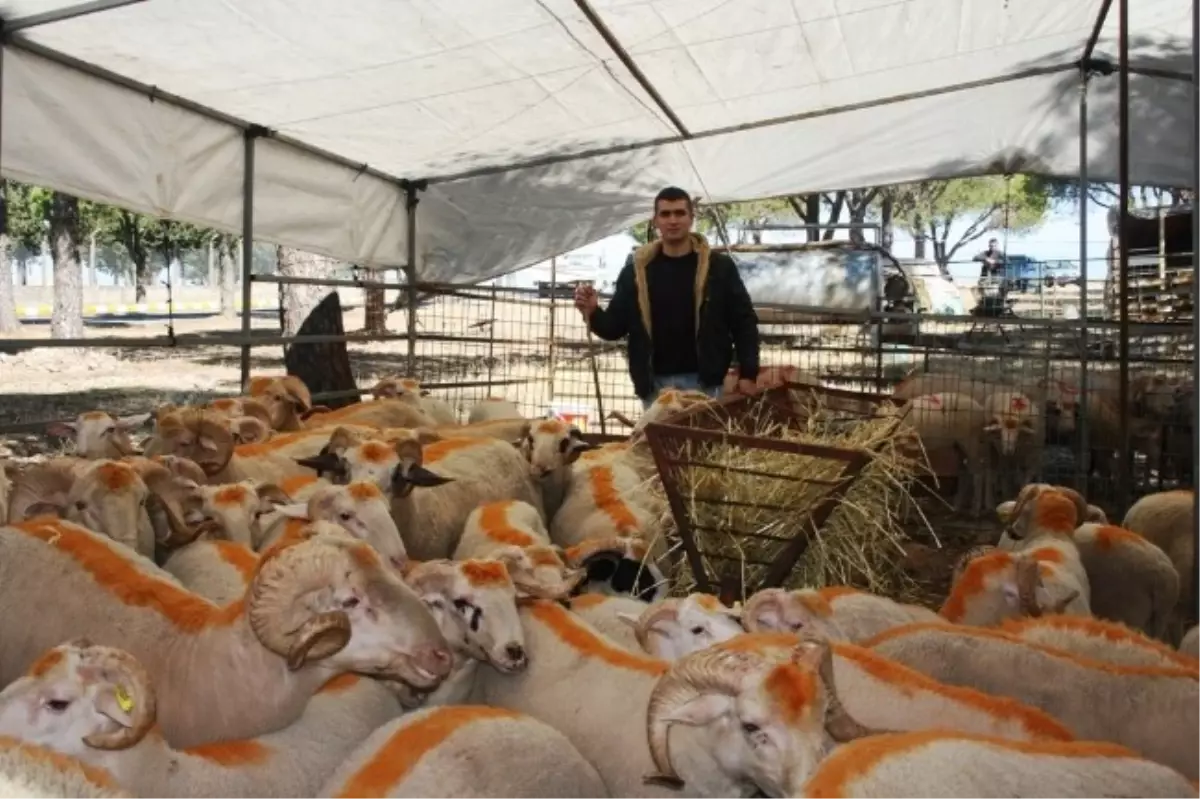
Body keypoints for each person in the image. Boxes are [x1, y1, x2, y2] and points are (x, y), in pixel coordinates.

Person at [574, 187, 760, 409]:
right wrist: (593, 311)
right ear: (655, 221)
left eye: (680, 213)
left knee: (702, 444)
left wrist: (748, 373)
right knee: (657, 444)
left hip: (705, 384)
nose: (673, 220)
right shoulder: (636, 272)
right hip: (655, 387)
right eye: (665, 214)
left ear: (692, 218)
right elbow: (614, 328)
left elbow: (744, 321)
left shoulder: (718, 268)